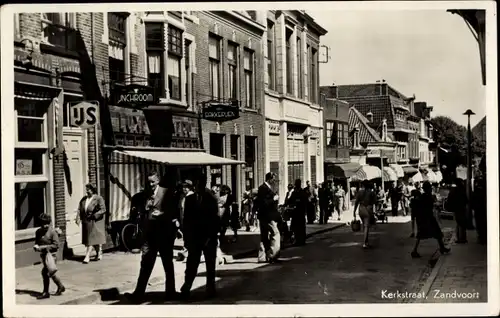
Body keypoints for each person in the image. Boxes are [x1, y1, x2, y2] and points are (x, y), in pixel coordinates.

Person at [126, 171, 180, 303]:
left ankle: (170, 292)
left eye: (153, 182)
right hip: (149, 235)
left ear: (158, 181)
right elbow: (142, 210)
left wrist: (161, 213)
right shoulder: (145, 194)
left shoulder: (167, 192)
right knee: (145, 264)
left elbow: (174, 212)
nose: (151, 185)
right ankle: (138, 294)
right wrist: (145, 208)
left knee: (167, 264)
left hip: (164, 235)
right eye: (149, 182)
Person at [180, 176, 220, 301]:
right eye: (197, 185)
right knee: (192, 264)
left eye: (201, 184)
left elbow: (216, 219)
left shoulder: (211, 199)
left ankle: (210, 287)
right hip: (194, 238)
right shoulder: (190, 199)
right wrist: (187, 239)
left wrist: (213, 235)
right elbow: (186, 220)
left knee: (210, 264)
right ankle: (186, 287)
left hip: (208, 238)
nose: (199, 187)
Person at [411, 182, 451, 258]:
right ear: (427, 189)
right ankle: (414, 250)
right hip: (427, 218)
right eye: (429, 188)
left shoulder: (425, 196)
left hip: (426, 218)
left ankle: (441, 248)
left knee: (435, 233)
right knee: (424, 234)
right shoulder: (426, 197)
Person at [34, 213, 65, 299]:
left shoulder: (52, 232)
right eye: (43, 224)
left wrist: (42, 247)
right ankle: (60, 286)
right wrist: (36, 246)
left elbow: (56, 245)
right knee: (51, 273)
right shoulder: (38, 232)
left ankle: (46, 292)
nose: (45, 225)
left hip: (52, 255)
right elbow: (37, 242)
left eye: (47, 223)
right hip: (44, 256)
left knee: (46, 272)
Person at [75, 183, 107, 264]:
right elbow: (79, 208)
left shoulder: (98, 198)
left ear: (93, 190)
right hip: (86, 221)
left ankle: (87, 256)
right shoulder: (84, 199)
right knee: (93, 239)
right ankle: (98, 252)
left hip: (95, 221)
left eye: (88, 189)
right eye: (86, 189)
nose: (87, 191)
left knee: (91, 239)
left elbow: (103, 209)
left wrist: (95, 215)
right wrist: (78, 217)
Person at [256, 172, 281, 263]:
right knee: (275, 233)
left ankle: (262, 257)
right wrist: (273, 199)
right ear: (269, 179)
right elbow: (263, 203)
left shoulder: (265, 188)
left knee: (264, 236)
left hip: (264, 216)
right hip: (267, 216)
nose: (274, 181)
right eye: (273, 179)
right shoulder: (263, 188)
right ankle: (273, 255)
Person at [353, 180, 377, 249]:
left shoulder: (360, 192)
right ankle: (365, 243)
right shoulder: (371, 192)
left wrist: (354, 211)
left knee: (364, 225)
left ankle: (366, 241)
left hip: (360, 209)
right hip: (368, 209)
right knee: (366, 226)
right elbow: (375, 202)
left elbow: (356, 202)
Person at [446, 179, 468, 244]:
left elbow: (450, 199)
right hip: (461, 207)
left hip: (457, 208)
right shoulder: (462, 189)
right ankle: (462, 238)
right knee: (461, 223)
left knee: (459, 222)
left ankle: (461, 238)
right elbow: (465, 199)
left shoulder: (454, 190)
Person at [288, 179, 308, 246]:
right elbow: (290, 200)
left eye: (297, 183)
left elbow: (305, 201)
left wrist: (304, 210)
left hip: (300, 211)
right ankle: (297, 239)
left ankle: (302, 240)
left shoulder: (302, 192)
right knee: (295, 227)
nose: (296, 185)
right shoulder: (294, 192)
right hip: (295, 212)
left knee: (301, 226)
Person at [472, 177, 487, 245]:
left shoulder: (477, 191)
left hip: (478, 209)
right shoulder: (484, 191)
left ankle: (481, 238)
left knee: (480, 224)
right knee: (483, 224)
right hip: (482, 209)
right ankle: (483, 238)